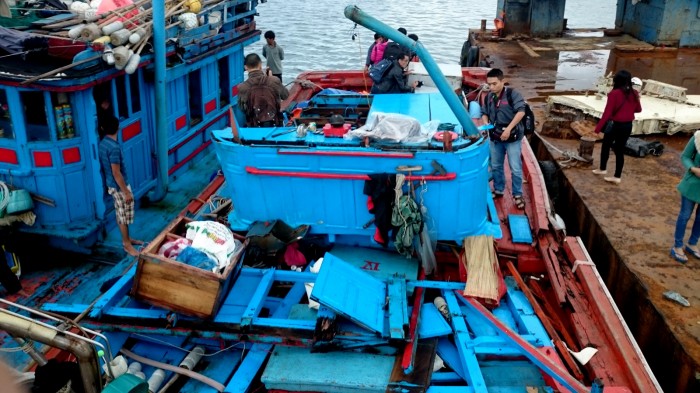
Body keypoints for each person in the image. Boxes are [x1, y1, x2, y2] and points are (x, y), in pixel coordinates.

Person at [480, 68, 526, 210]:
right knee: (496, 165)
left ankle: (517, 194)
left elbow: (521, 112)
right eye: (489, 84)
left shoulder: (512, 94)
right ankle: (499, 188)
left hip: (512, 138)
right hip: (495, 137)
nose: (492, 87)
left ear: (502, 81)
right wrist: (486, 123)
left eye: (494, 84)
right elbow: (484, 112)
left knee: (516, 168)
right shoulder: (489, 96)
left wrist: (509, 129)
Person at [99, 116, 141, 257]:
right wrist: (126, 192)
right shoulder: (114, 148)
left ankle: (127, 239)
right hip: (119, 187)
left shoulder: (103, 143)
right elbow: (116, 173)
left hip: (112, 185)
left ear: (102, 129)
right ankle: (127, 245)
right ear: (119, 128)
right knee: (123, 216)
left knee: (120, 212)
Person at [592, 70, 642, 184]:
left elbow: (607, 113)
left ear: (616, 80)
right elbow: (638, 109)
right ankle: (617, 176)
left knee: (606, 146)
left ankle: (602, 169)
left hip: (615, 125)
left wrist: (597, 128)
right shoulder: (634, 93)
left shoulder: (614, 94)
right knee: (619, 150)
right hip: (627, 126)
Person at [670, 131, 700, 264]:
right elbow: (685, 157)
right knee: (685, 215)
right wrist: (694, 169)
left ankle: (692, 243)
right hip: (692, 183)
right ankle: (677, 246)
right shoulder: (698, 137)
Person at [238, 53, 289, 127]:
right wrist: (271, 77)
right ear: (260, 65)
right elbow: (285, 96)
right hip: (275, 124)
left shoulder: (243, 87)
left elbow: (242, 108)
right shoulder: (274, 80)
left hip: (254, 126)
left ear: (246, 67)